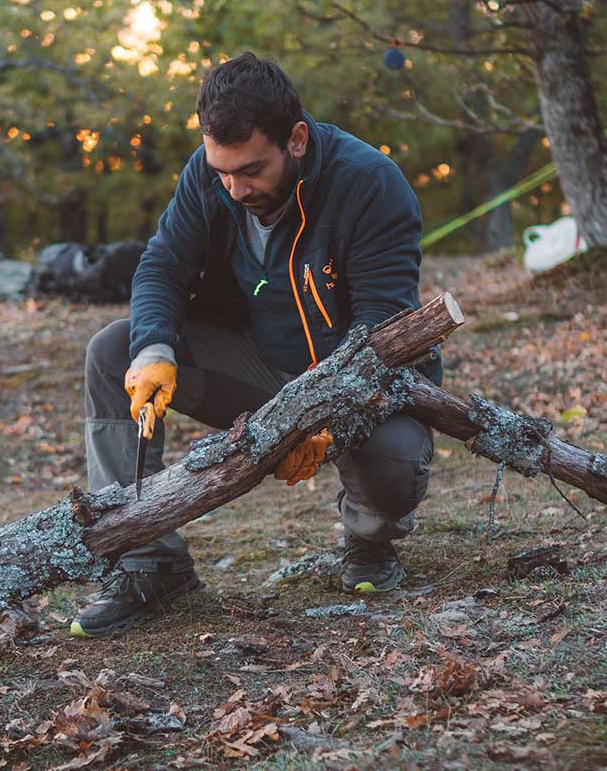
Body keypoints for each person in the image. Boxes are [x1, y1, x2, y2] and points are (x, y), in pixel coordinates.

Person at [70, 52, 442, 638]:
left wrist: (326, 412)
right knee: (114, 350)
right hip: (256, 365)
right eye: (222, 170)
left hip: (359, 385)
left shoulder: (368, 183)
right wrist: (154, 350)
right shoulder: (208, 177)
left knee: (394, 456)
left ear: (296, 139)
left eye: (250, 170)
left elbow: (382, 331)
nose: (234, 187)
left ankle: (370, 544)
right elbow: (161, 267)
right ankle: (146, 561)